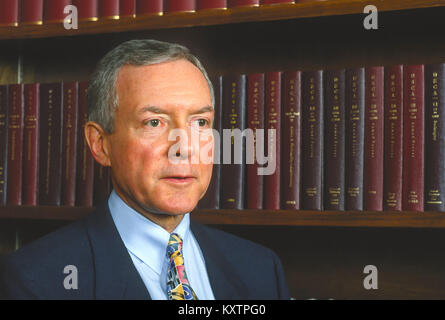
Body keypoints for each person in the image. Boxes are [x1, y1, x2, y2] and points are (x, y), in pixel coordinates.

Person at [0, 39, 290, 300]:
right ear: (100, 144)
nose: (184, 147)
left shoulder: (261, 269)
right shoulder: (34, 281)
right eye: (154, 123)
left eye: (200, 123)